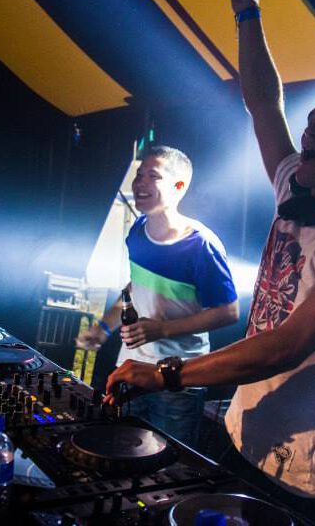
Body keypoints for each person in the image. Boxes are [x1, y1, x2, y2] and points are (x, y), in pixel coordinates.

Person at [105, 0, 315, 525]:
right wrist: (248, 16)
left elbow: (286, 345)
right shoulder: (295, 185)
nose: (311, 128)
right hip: (243, 442)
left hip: (310, 475)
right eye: (314, 117)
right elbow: (264, 103)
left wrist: (165, 373)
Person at [80, 145, 239, 446]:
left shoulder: (200, 244)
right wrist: (103, 328)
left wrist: (163, 329)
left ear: (179, 187)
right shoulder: (138, 230)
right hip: (129, 371)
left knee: (169, 465)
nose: (140, 183)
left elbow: (228, 312)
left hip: (178, 379)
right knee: (123, 456)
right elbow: (135, 286)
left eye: (152, 176)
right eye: (139, 175)